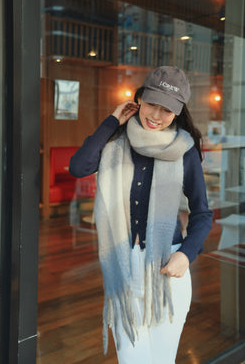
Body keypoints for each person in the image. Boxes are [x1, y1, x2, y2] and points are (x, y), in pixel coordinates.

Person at [69, 65, 213, 364]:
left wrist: (186, 254)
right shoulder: (116, 140)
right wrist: (112, 121)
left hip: (168, 266)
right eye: (151, 104)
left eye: (167, 110)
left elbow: (202, 213)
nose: (156, 116)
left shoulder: (184, 149)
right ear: (139, 99)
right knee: (133, 358)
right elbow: (78, 166)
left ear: (178, 112)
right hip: (123, 266)